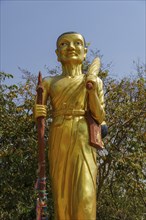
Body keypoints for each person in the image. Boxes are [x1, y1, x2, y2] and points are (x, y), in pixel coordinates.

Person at [34, 31, 105, 220]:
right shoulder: (50, 82)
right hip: (59, 133)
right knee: (61, 193)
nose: (71, 47)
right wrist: (38, 112)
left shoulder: (94, 81)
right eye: (64, 44)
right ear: (57, 54)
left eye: (77, 43)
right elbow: (40, 111)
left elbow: (99, 115)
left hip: (83, 136)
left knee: (86, 194)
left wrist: (91, 92)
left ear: (85, 52)